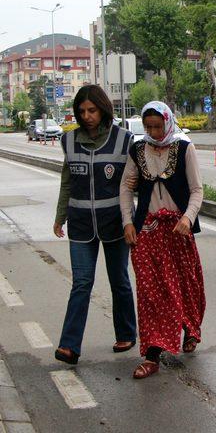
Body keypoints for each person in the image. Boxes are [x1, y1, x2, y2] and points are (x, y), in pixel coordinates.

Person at [120, 101, 205, 379]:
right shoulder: (137, 150)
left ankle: (190, 330)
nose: (154, 132)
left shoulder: (184, 148)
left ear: (168, 122)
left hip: (178, 231)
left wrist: (187, 218)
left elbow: (196, 190)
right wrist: (128, 221)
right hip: (147, 231)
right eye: (148, 127)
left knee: (184, 286)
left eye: (158, 126)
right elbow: (126, 187)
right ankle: (152, 353)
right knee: (150, 293)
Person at [53, 85, 137, 365]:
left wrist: (133, 221)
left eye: (92, 110)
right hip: (80, 226)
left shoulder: (124, 140)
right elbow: (67, 182)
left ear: (103, 109)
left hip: (115, 224)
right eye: (81, 111)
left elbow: (131, 184)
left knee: (119, 281)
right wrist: (59, 216)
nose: (87, 116)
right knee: (81, 283)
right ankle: (69, 346)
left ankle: (126, 332)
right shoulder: (69, 141)